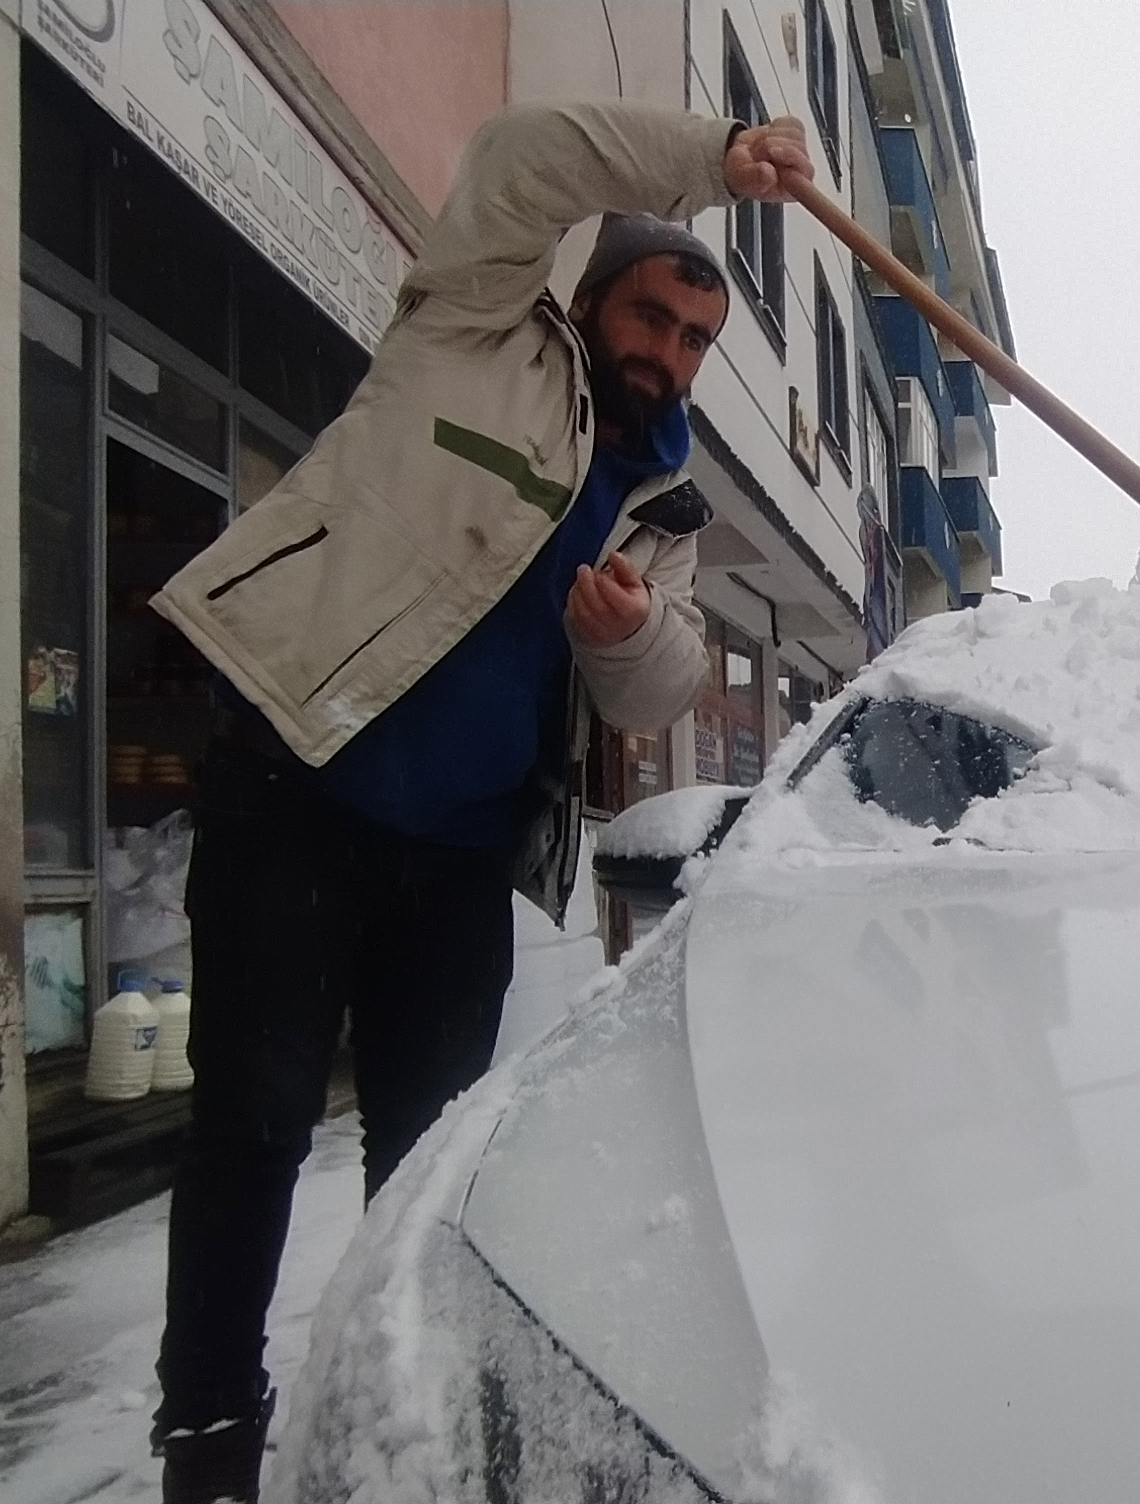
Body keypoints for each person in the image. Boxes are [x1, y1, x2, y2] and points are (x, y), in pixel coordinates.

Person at [141, 100, 815, 1502]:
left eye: (696, 341)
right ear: (588, 298)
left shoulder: (666, 503)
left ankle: (400, 1410)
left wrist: (626, 634)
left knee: (432, 1154)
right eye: (652, 320)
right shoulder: (471, 325)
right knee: (253, 1123)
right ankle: (207, 1433)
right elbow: (521, 160)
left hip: (455, 863)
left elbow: (660, 687)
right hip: (293, 788)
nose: (671, 357)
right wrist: (712, 161)